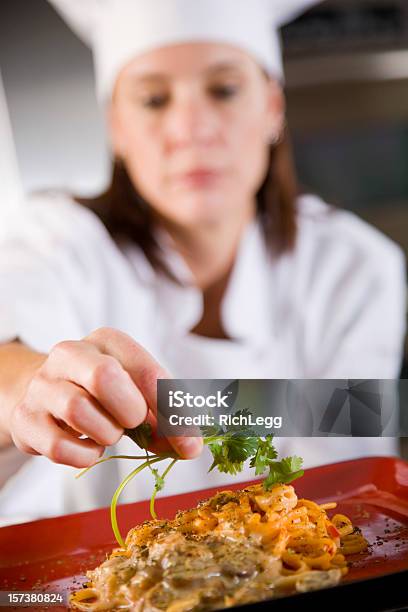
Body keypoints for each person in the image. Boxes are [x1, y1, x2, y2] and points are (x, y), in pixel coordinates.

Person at [0, 0, 406, 524]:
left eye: (224, 90)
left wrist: (174, 408)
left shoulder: (356, 266)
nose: (191, 128)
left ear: (273, 108)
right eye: (153, 99)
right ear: (117, 127)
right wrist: (28, 388)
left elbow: (355, 482)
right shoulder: (60, 239)